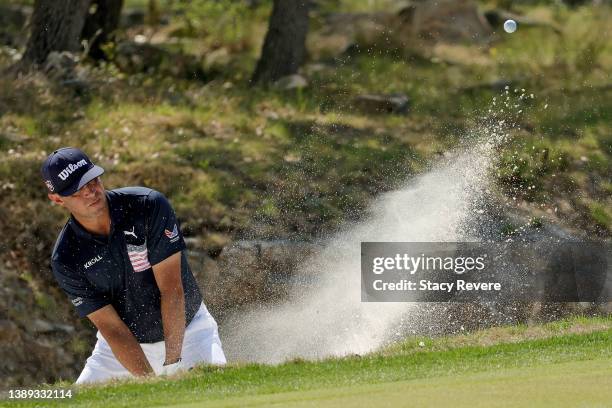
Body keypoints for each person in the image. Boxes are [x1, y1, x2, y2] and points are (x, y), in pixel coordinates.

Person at [41, 147, 226, 384]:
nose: (90, 191)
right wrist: (151, 384)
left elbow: (171, 290)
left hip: (189, 331)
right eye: (77, 189)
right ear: (57, 199)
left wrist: (171, 364)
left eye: (92, 179)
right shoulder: (66, 257)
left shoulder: (147, 205)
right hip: (120, 350)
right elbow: (112, 328)